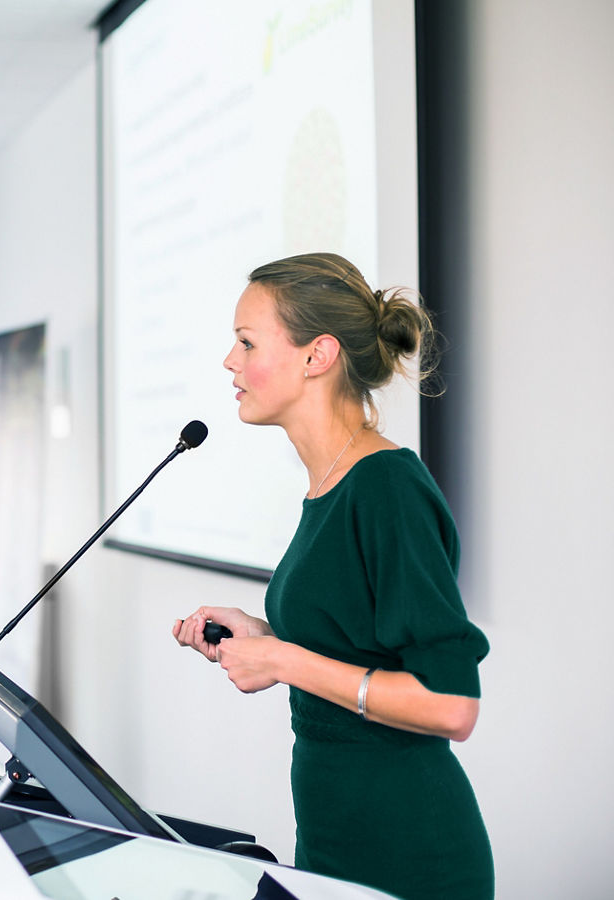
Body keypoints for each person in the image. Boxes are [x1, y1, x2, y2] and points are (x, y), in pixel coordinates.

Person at [172, 252, 493, 900]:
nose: (229, 362)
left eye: (246, 342)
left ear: (317, 356)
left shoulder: (387, 488)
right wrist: (258, 635)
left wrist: (283, 660)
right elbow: (355, 641)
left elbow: (451, 705)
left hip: (407, 858)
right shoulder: (331, 483)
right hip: (330, 841)